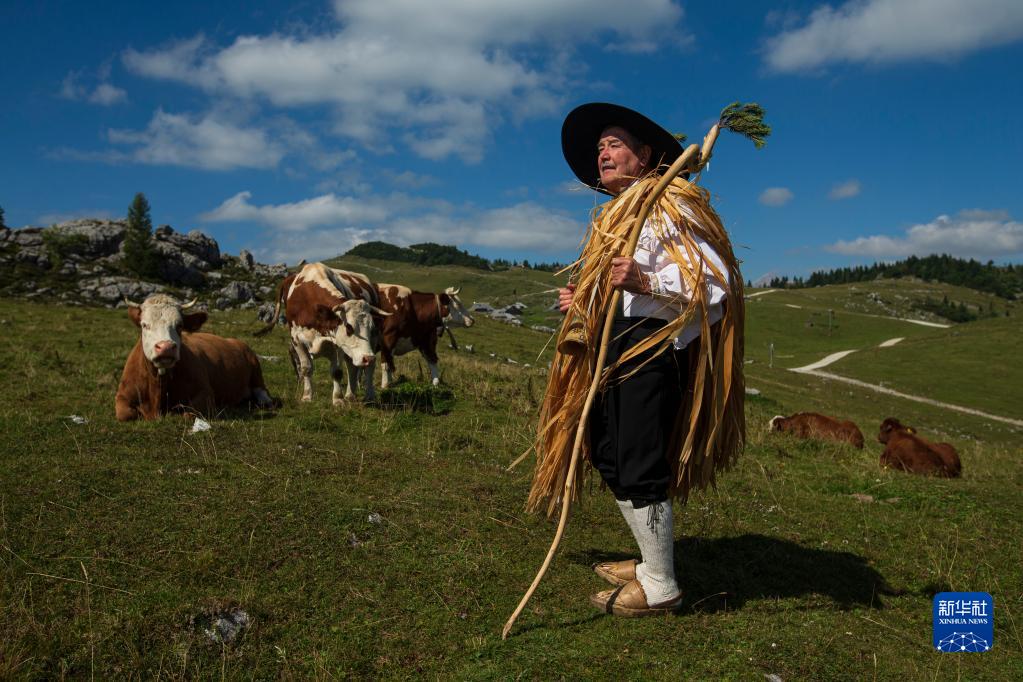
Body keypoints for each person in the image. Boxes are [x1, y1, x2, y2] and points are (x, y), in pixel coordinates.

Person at [557, 103, 734, 617]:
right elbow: (610, 290)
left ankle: (662, 584)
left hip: (652, 342)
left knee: (639, 455)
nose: (603, 153)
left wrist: (647, 281)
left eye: (614, 143)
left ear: (647, 155)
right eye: (599, 148)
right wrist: (581, 303)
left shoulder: (672, 205)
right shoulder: (614, 217)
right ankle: (649, 559)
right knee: (606, 449)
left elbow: (717, 283)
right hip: (612, 343)